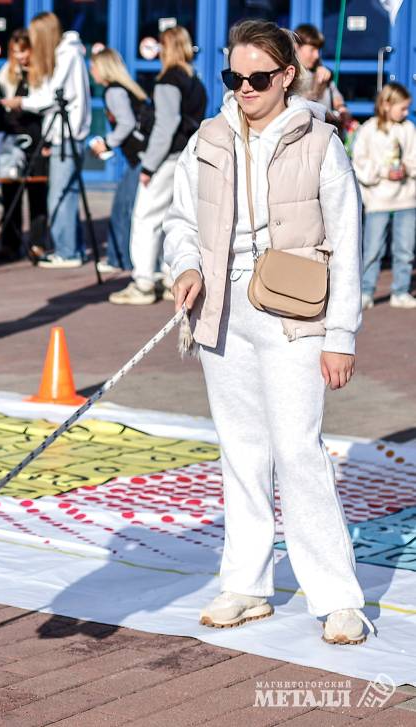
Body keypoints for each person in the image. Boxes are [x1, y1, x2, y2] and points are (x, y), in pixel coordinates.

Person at [164, 19, 372, 645]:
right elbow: (181, 222)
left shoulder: (320, 141)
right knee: (241, 451)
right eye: (234, 77)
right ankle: (247, 585)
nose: (245, 88)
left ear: (286, 76)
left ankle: (335, 596)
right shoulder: (206, 139)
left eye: (258, 77)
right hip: (222, 314)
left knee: (298, 452)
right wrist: (185, 266)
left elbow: (348, 241)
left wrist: (342, 335)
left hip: (296, 315)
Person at [110, 26, 206, 304]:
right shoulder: (194, 80)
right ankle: (168, 275)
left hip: (166, 158)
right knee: (173, 217)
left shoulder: (168, 81)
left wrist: (149, 166)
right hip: (187, 155)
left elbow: (166, 125)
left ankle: (142, 281)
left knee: (146, 217)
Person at [0, 12, 91, 269]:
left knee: (59, 196)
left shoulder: (66, 55)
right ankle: (74, 248)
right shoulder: (69, 53)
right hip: (66, 135)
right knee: (68, 195)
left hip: (67, 135)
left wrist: (22, 102)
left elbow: (52, 96)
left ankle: (68, 252)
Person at [353, 83, 416, 310]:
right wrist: (382, 171)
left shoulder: (408, 129)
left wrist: (407, 169)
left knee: (405, 249)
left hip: (406, 199)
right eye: (403, 108)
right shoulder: (369, 129)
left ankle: (400, 291)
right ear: (386, 105)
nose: (406, 113)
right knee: (372, 249)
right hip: (378, 200)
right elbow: (359, 161)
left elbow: (414, 158)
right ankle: (366, 292)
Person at [89, 47, 151, 273]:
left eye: (94, 66)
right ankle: (119, 258)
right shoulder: (125, 88)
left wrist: (107, 143)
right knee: (125, 207)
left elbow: (126, 123)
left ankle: (122, 260)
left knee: (123, 208)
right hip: (142, 156)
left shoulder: (113, 92)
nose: (91, 71)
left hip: (141, 157)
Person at [0, 28, 49, 263]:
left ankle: (38, 242)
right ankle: (10, 243)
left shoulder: (42, 73)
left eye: (24, 51)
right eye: (15, 52)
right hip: (12, 137)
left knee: (37, 194)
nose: (20, 57)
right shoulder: (6, 72)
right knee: (10, 193)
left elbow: (45, 104)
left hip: (36, 138)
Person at [294, 23, 349, 124]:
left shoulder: (321, 72)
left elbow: (337, 100)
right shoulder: (288, 76)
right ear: (296, 47)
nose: (317, 55)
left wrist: (341, 109)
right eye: (312, 50)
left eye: (318, 50)